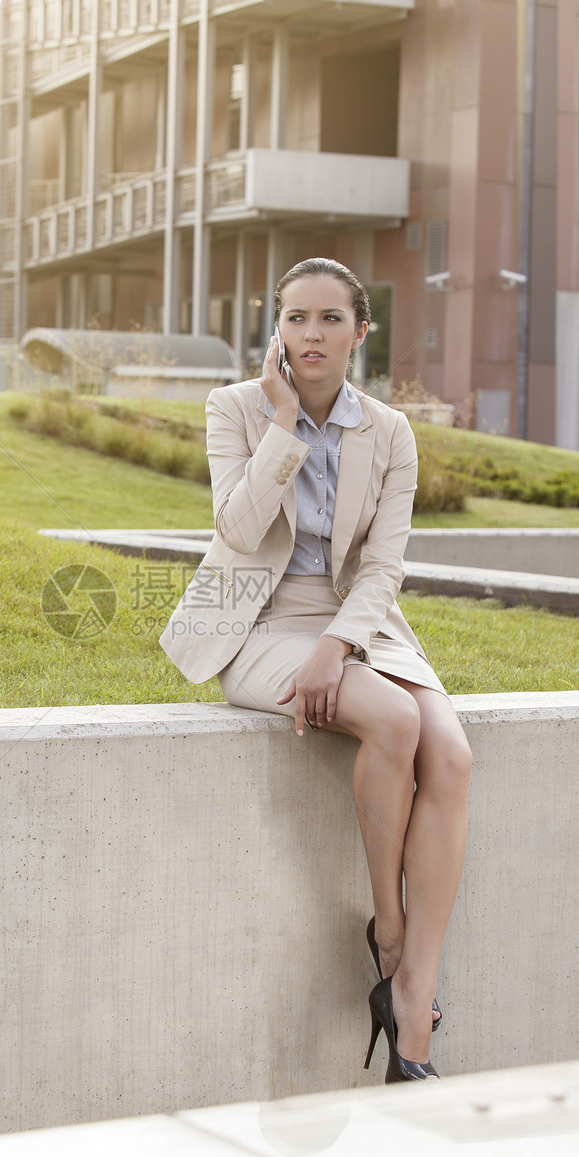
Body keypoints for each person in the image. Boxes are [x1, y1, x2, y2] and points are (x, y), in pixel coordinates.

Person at [159, 257, 472, 1084]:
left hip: (363, 624)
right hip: (260, 621)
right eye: (295, 317)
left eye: (330, 318)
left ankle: (414, 996)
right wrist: (284, 427)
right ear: (277, 328)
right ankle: (391, 931)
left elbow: (385, 563)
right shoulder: (233, 409)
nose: (310, 334)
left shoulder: (390, 432)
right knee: (397, 722)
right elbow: (234, 527)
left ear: (360, 332)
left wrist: (338, 644)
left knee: (452, 753)